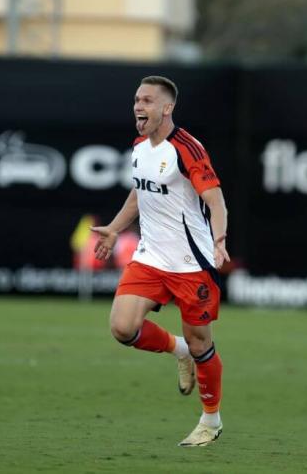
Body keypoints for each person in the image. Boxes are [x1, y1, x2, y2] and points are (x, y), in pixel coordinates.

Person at [92, 76, 230, 445]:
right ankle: (178, 350)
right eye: (137, 99)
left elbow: (215, 200)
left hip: (190, 262)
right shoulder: (139, 146)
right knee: (122, 328)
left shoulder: (187, 148)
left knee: (202, 343)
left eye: (148, 101)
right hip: (150, 257)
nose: (139, 106)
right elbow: (139, 194)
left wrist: (219, 239)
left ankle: (211, 421)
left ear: (166, 108)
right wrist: (115, 229)